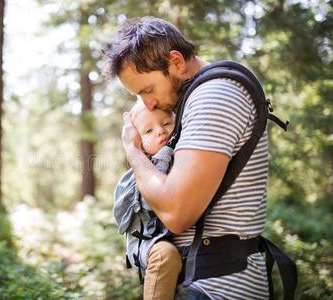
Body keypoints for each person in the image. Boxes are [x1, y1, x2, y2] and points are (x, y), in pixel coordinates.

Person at [104, 16, 271, 299]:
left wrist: (133, 151)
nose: (148, 104)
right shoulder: (192, 101)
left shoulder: (214, 97)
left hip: (216, 288)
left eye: (147, 90)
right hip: (201, 280)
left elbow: (176, 213)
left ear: (177, 62)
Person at [113, 101, 182, 300]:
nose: (160, 132)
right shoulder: (140, 173)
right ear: (137, 142)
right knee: (165, 255)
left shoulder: (186, 157)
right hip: (148, 242)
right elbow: (155, 199)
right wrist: (165, 154)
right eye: (149, 131)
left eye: (167, 123)